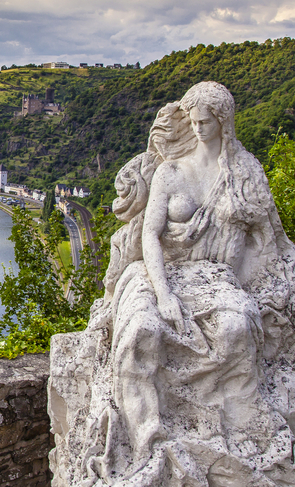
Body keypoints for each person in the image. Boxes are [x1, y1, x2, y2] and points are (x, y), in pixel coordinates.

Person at [49, 82, 295, 486]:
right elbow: (149, 236)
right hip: (158, 273)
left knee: (235, 328)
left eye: (205, 122)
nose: (197, 129)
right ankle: (147, 443)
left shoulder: (244, 172)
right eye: (192, 121)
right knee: (141, 331)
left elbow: (268, 238)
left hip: (217, 278)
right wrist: (163, 293)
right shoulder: (171, 171)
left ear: (223, 122)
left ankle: (229, 432)